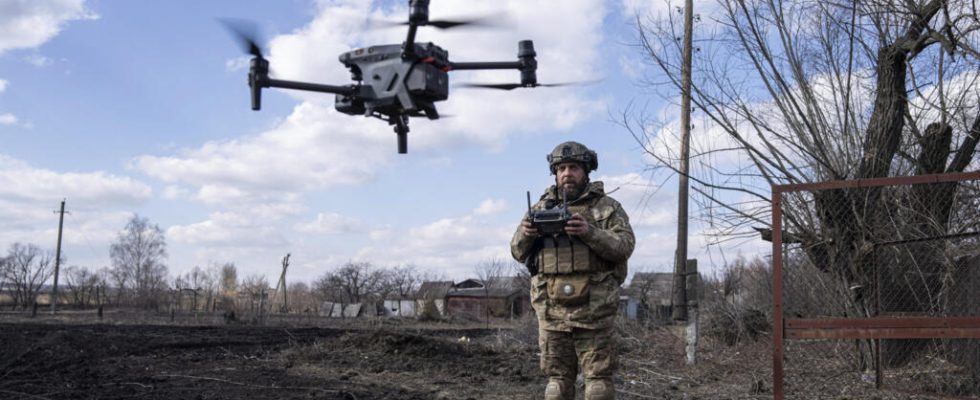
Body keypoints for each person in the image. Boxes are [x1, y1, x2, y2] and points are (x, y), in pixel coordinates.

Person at [511, 141, 635, 400]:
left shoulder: (607, 208)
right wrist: (526, 234)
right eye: (562, 168)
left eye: (574, 167)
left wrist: (590, 232)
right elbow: (517, 252)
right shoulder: (539, 209)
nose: (567, 173)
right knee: (556, 387)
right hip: (552, 312)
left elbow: (624, 246)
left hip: (594, 313)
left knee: (598, 387)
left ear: (586, 171)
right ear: (555, 173)